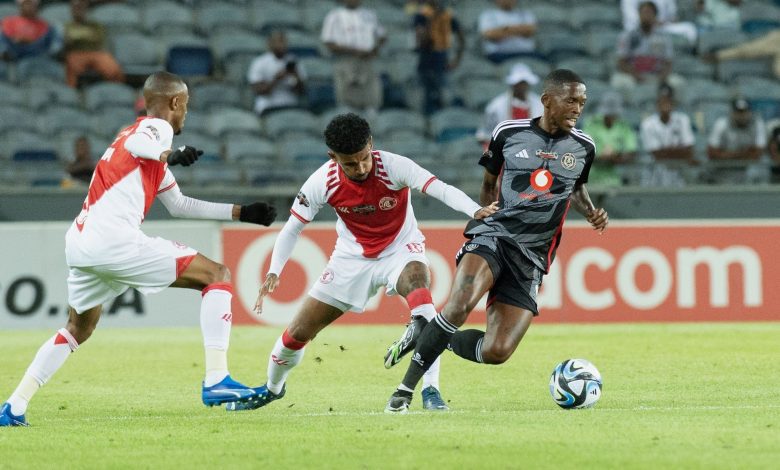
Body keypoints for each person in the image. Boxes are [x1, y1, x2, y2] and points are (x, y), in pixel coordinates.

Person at [0, 71, 278, 427]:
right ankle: (216, 379)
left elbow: (179, 205)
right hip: (113, 240)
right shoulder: (154, 129)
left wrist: (240, 212)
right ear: (175, 102)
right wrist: (170, 152)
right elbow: (143, 145)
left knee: (76, 328)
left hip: (82, 243)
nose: (185, 114)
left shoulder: (131, 143)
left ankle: (14, 406)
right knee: (217, 275)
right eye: (186, 107)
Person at [224, 113, 498, 413]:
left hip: (400, 250)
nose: (360, 167)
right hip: (350, 259)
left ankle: (431, 391)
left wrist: (475, 210)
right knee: (297, 333)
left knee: (423, 299)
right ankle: (272, 389)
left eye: (364, 158)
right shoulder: (322, 181)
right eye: (350, 163)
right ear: (333, 157)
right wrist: (275, 270)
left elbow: (439, 188)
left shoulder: (394, 166)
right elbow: (292, 228)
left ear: (371, 144)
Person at [383, 69, 609, 413]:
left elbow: (575, 186)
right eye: (571, 100)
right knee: (458, 306)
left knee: (497, 351)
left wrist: (591, 211)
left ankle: (429, 333)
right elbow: (489, 180)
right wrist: (485, 213)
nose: (578, 108)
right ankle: (404, 392)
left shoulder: (584, 146)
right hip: (495, 235)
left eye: (582, 102)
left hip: (533, 255)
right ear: (547, 100)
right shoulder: (508, 133)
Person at [321, 0, 386, 116]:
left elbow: (382, 36)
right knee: (347, 104)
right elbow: (329, 43)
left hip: (367, 60)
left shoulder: (369, 15)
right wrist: (354, 51)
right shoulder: (334, 16)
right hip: (346, 60)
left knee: (371, 104)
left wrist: (374, 50)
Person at [612, 1, 682, 98]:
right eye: (644, 13)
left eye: (649, 13)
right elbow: (621, 62)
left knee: (677, 83)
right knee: (619, 82)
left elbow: (668, 62)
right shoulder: (628, 35)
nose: (646, 16)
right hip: (634, 75)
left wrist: (662, 77)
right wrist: (635, 75)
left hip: (656, 75)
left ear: (655, 16)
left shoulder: (664, 37)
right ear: (639, 14)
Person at [413, 0, 465, 116]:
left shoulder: (447, 15)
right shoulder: (421, 15)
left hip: (443, 63)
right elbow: (422, 41)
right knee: (425, 102)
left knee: (445, 101)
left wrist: (457, 59)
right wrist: (433, 19)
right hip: (425, 64)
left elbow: (461, 38)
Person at [638, 84, 696, 186]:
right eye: (662, 100)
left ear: (673, 102)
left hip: (677, 175)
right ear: (657, 102)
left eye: (668, 100)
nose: (665, 104)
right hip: (653, 175)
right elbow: (656, 154)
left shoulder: (683, 119)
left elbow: (689, 150)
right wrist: (678, 151)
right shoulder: (648, 123)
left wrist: (667, 151)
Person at [476, 62, 543, 146]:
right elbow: (485, 134)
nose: (522, 86)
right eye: (519, 83)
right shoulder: (496, 106)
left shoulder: (540, 105)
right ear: (513, 84)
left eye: (524, 83)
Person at [62, 0, 124, 88]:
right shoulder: (66, 26)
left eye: (81, 7)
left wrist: (77, 36)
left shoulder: (96, 25)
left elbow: (98, 40)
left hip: (96, 53)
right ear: (72, 10)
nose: (79, 10)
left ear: (86, 9)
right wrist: (86, 36)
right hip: (76, 54)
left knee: (113, 68)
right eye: (76, 7)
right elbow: (67, 41)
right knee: (70, 66)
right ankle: (71, 93)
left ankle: (117, 90)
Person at [582, 91, 638, 186]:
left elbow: (631, 151)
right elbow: (584, 151)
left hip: (616, 179)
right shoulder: (591, 124)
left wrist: (616, 157)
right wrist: (600, 157)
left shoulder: (624, 126)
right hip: (592, 178)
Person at [707, 97, 768, 184]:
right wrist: (745, 152)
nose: (741, 116)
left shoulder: (757, 124)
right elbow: (711, 153)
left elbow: (757, 154)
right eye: (738, 112)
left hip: (748, 172)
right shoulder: (721, 123)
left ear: (750, 112)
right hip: (724, 172)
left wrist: (725, 153)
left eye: (744, 112)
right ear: (732, 113)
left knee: (758, 169)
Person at [247, 29, 306, 116]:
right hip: (269, 107)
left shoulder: (293, 61)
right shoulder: (260, 62)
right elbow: (259, 91)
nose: (282, 45)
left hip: (291, 105)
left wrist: (296, 75)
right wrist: (276, 79)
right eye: (279, 41)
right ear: (270, 43)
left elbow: (302, 92)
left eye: (284, 41)